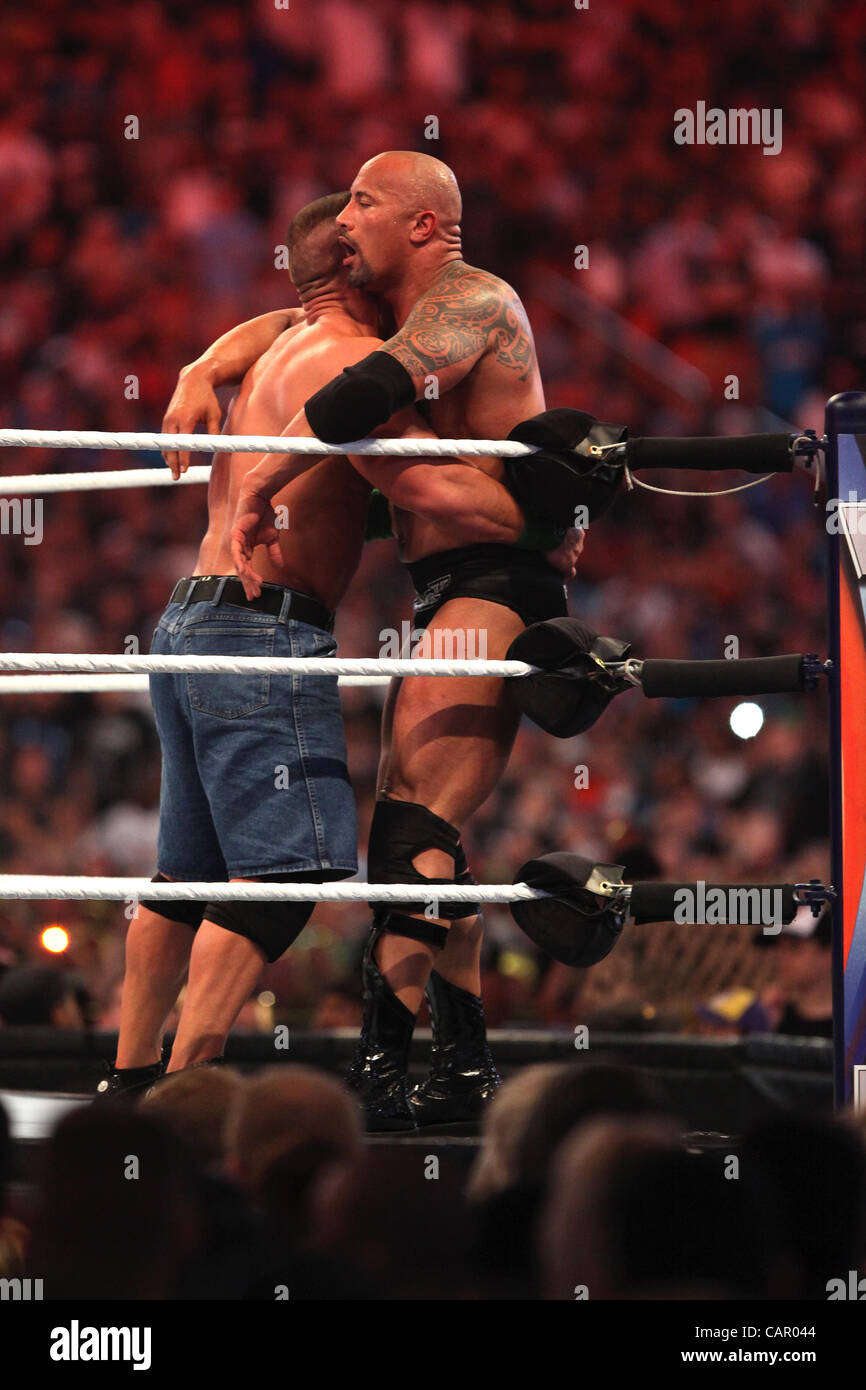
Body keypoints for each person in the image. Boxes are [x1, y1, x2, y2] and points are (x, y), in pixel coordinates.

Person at [103, 191, 541, 1100]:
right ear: (350, 269)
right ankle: (187, 1089)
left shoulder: (282, 348)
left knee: (187, 875)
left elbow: (265, 328)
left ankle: (129, 1076)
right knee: (281, 877)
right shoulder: (349, 363)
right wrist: (553, 510)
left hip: (187, 622)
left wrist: (197, 364)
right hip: (262, 630)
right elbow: (429, 488)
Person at [229, 151, 582, 1130]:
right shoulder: (410, 322)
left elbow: (353, 405)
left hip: (495, 589)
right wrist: (208, 365)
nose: (346, 218)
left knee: (410, 837)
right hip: (449, 586)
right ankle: (464, 1064)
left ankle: (380, 1068)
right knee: (424, 836)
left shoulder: (472, 303)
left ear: (422, 225)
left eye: (364, 201)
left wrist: (255, 485)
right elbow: (334, 368)